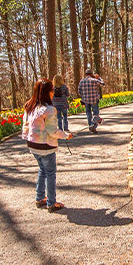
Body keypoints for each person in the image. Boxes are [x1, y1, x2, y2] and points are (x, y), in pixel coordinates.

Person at [21, 79, 73, 212]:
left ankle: (39, 198)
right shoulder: (49, 110)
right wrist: (66, 135)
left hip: (32, 144)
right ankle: (51, 202)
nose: (53, 93)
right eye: (52, 90)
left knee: (42, 170)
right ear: (48, 92)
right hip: (45, 146)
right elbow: (52, 131)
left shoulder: (29, 105)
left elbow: (25, 126)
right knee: (50, 173)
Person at [77, 69, 105, 133]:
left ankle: (90, 125)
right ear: (91, 74)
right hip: (94, 100)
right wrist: (99, 78)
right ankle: (93, 126)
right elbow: (102, 84)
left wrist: (84, 96)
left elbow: (79, 91)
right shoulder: (94, 80)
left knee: (88, 114)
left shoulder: (81, 81)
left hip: (86, 100)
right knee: (95, 114)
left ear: (85, 74)